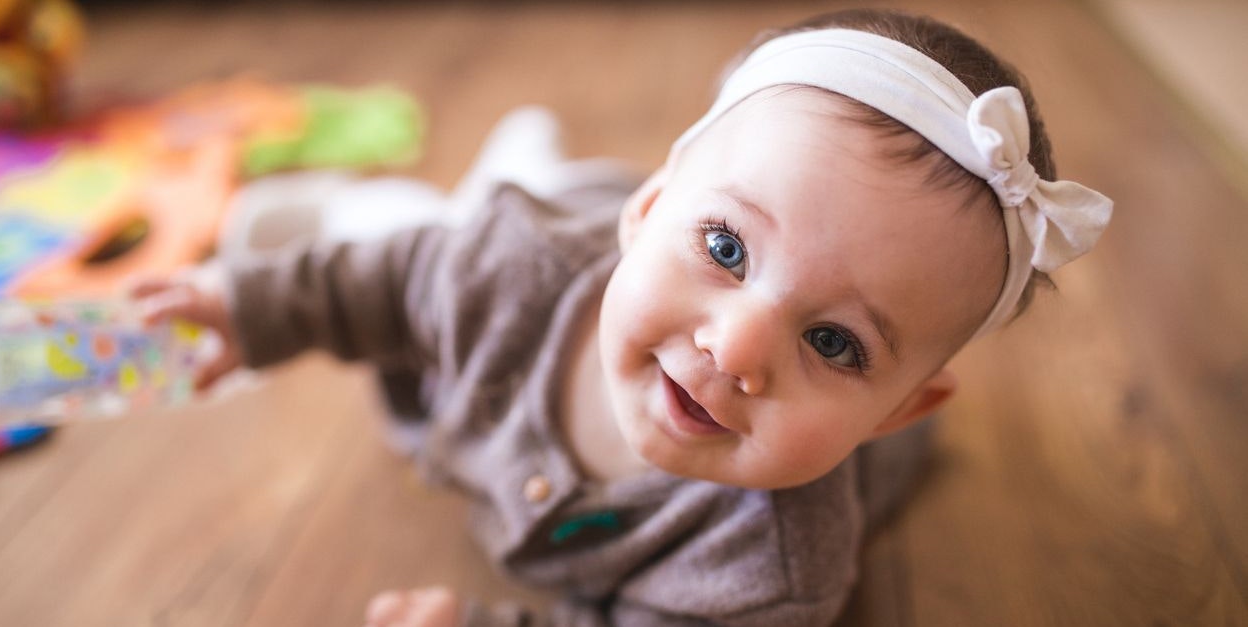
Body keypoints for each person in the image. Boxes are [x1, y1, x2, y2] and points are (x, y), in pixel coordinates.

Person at [131, 8, 1112, 627]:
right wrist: (248, 308)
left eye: (834, 344)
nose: (734, 349)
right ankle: (531, 169)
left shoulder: (771, 570)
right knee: (442, 235)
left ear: (898, 413)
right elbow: (391, 282)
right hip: (557, 233)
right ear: (649, 213)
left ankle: (547, 172)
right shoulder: (513, 268)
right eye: (726, 249)